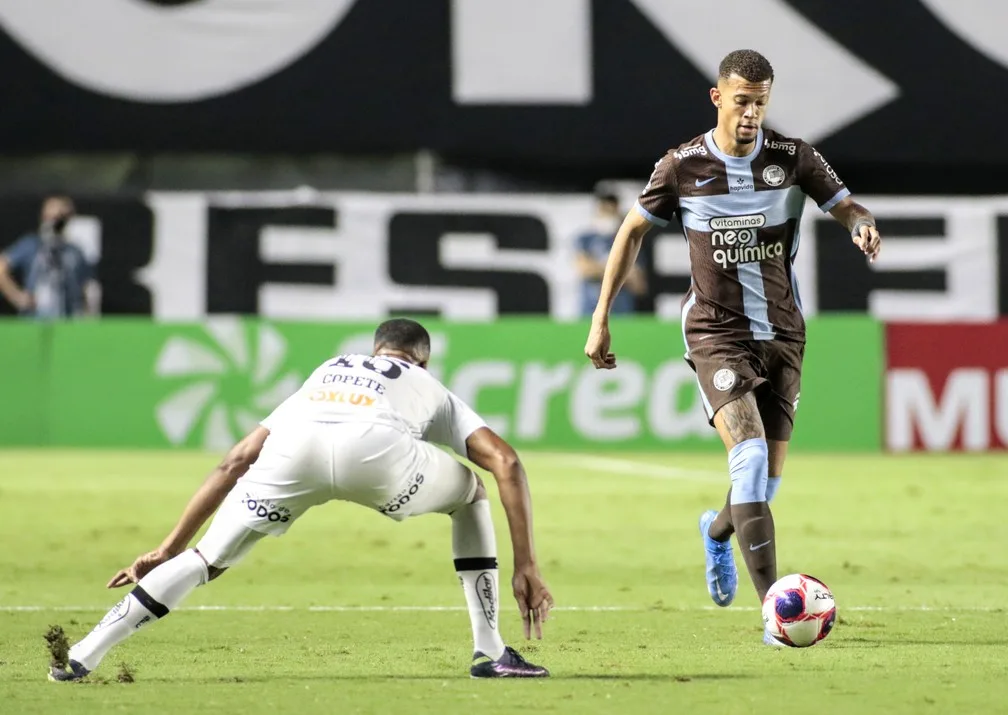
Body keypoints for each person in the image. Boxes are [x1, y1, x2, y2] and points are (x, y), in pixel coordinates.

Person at [49, 319, 553, 681]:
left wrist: (171, 545)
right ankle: (489, 652)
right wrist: (525, 564)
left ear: (375, 350)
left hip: (296, 452)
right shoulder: (427, 383)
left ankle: (83, 655)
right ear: (421, 359)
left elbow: (237, 459)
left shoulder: (327, 371)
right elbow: (506, 462)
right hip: (378, 456)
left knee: (205, 560)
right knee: (471, 494)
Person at [583, 49, 882, 645]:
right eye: (741, 100)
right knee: (745, 462)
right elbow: (632, 230)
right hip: (716, 333)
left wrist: (859, 224)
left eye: (761, 102)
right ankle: (775, 612)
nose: (751, 113)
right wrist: (601, 317)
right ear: (718, 97)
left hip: (784, 333)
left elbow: (845, 203)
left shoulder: (793, 158)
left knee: (764, 484)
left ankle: (718, 532)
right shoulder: (681, 166)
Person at [0, 196, 99, 319]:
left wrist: (87, 315)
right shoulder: (31, 245)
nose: (55, 222)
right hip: (34, 321)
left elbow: (87, 286)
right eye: (51, 217)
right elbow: (2, 267)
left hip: (66, 322)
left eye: (60, 218)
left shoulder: (75, 251)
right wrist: (18, 297)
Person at [575, 192, 647, 316]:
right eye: (604, 210)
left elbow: (638, 284)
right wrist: (621, 270)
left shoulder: (630, 239)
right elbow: (584, 269)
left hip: (622, 315)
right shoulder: (585, 238)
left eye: (611, 211)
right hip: (590, 312)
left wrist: (597, 268)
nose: (608, 215)